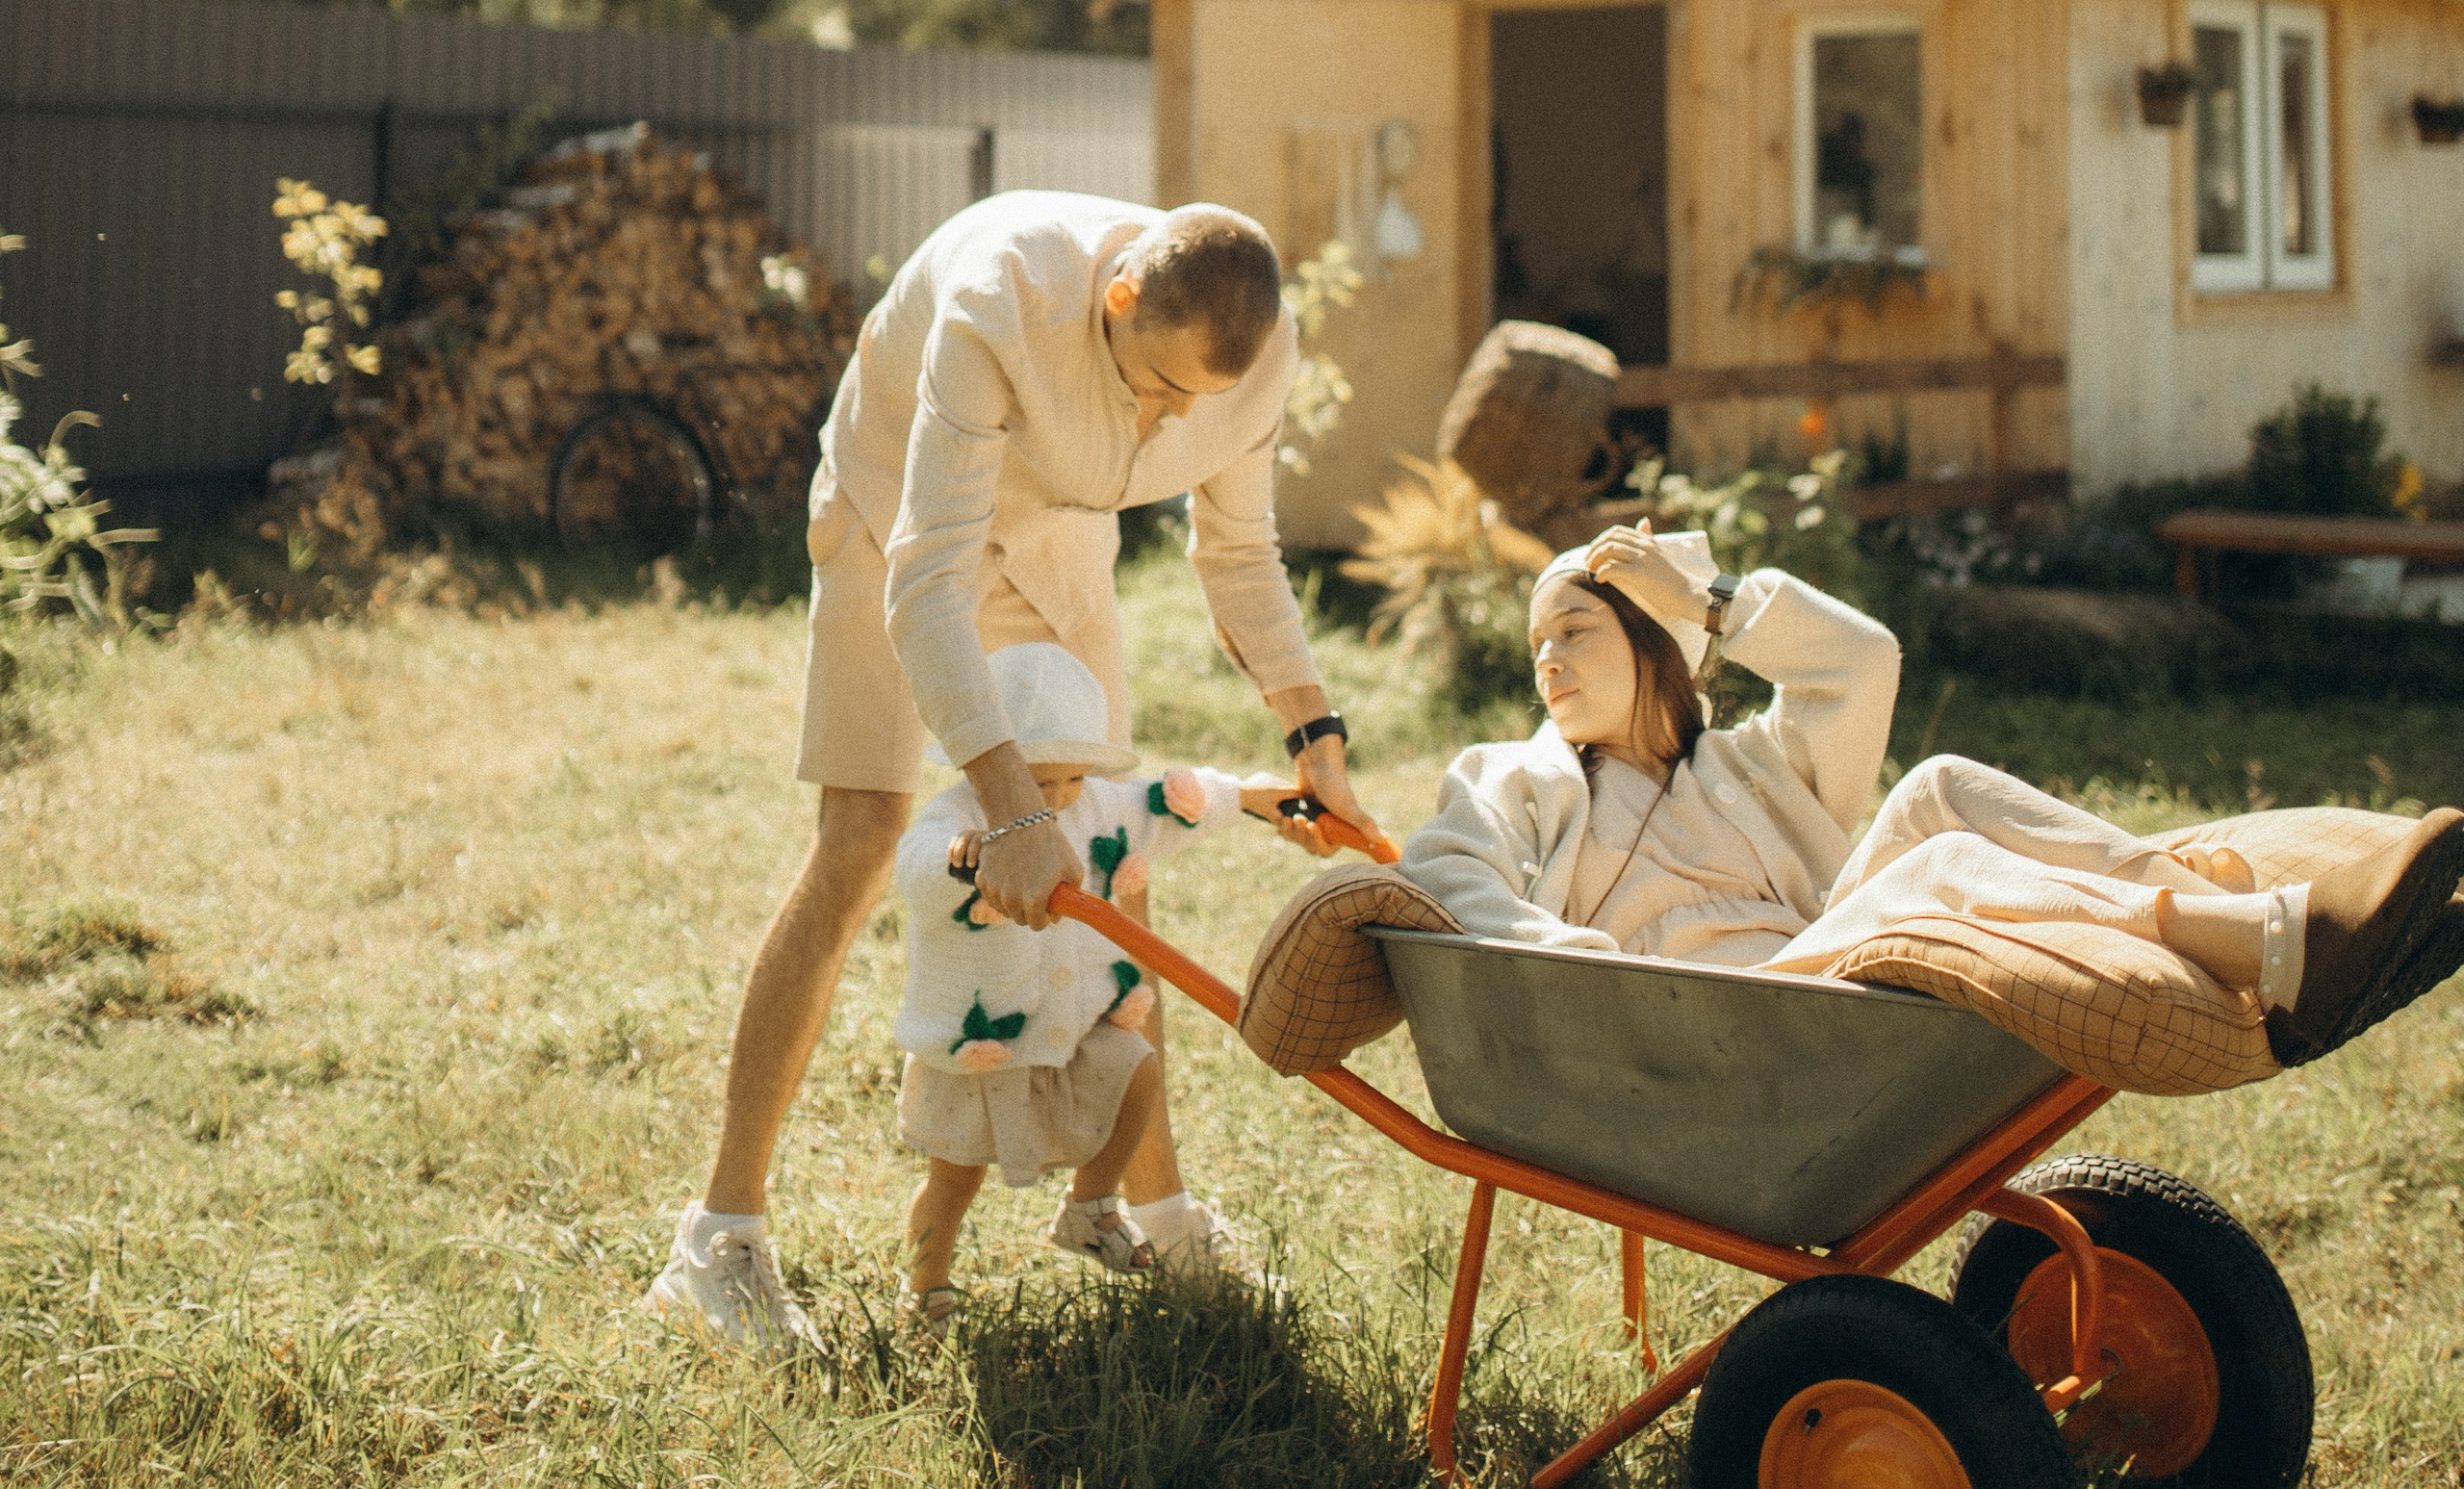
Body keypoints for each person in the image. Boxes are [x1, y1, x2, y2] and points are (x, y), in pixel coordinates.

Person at [651, 191, 1374, 1348]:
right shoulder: (1001, 298)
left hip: (1059, 532)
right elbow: (925, 586)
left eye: (1194, 403)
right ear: (1117, 297)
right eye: (1155, 384)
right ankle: (719, 1239)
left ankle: (1150, 1218)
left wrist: (1314, 738)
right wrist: (1004, 807)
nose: (1162, 421)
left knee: (1115, 861)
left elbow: (1237, 550)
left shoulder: (1259, 348)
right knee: (858, 841)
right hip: (903, 514)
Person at [1397, 528, 2464, 1053]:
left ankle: (2218, 905)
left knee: (1940, 786)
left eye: (1573, 629)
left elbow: (1861, 664)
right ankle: (2282, 947)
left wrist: (1706, 598)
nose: (1545, 660)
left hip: (1818, 966)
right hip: (1713, 1028)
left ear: (1649, 638)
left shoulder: (1750, 769)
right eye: (1535, 642)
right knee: (1945, 862)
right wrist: (1582, 973)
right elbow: (1443, 872)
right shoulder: (1519, 777)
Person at [895, 639, 1297, 1328]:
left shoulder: (1101, 808)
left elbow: (1172, 803)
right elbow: (917, 865)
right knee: (954, 1176)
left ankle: (1091, 1205)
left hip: (1078, 1024)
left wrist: (1252, 797)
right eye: (1034, 781)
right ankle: (926, 1287)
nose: (1052, 800)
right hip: (983, 1041)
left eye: (1069, 780)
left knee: (1139, 1071)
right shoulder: (960, 816)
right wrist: (964, 859)